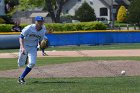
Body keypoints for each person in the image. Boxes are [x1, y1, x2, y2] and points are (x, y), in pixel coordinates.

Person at [17, 16, 48, 84]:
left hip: (33, 47)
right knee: (20, 64)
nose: (40, 23)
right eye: (38, 21)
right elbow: (21, 37)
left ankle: (21, 77)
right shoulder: (29, 28)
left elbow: (40, 40)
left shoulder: (43, 29)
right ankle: (25, 58)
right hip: (25, 45)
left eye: (41, 21)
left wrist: (42, 47)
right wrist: (22, 47)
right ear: (35, 22)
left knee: (32, 63)